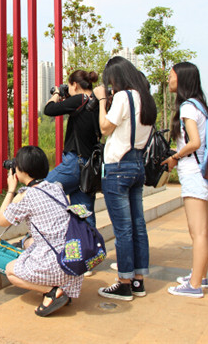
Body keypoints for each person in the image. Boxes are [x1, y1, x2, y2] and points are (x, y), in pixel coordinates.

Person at [93, 56, 157, 301]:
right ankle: (138, 281)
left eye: (109, 80)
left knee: (123, 229)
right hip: (137, 165)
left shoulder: (123, 97)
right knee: (138, 226)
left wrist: (101, 101)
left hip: (118, 168)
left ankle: (123, 283)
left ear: (116, 77)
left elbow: (104, 128)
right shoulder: (146, 98)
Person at [0, 146, 83, 317]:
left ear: (23, 171)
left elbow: (2, 220)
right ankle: (61, 287)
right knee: (28, 241)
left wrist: (10, 189)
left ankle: (53, 291)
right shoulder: (56, 187)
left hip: (58, 264)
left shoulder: (26, 196)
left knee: (10, 271)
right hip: (74, 260)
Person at [162, 62, 208, 298]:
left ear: (181, 79)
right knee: (202, 230)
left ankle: (194, 285)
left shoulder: (187, 108)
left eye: (171, 75)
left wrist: (174, 156)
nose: (169, 79)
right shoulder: (199, 106)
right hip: (199, 172)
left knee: (198, 231)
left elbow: (194, 142)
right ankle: (199, 275)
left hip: (193, 173)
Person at [43, 70, 101, 227]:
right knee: (85, 215)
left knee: (40, 192)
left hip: (75, 163)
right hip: (89, 167)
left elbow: (49, 109)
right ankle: (92, 249)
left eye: (68, 86)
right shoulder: (97, 102)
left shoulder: (80, 99)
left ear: (75, 85)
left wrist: (56, 93)